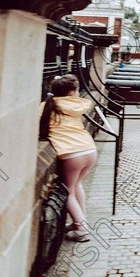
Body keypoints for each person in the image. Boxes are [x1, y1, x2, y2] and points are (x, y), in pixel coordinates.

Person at [38, 75, 97, 242]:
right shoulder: (76, 105)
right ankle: (81, 220)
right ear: (72, 92)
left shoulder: (48, 105)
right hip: (89, 149)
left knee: (68, 192)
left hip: (72, 154)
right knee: (77, 185)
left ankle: (82, 229)